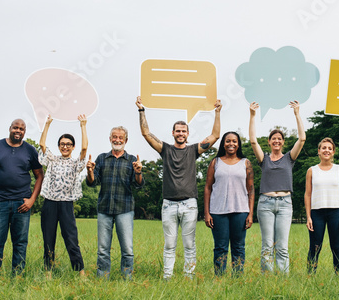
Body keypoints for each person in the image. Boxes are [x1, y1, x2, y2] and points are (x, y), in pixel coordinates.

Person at [136, 96, 222, 280]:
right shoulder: (165, 149)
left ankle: (188, 276)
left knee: (189, 244)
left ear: (188, 134)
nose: (181, 133)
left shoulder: (193, 151)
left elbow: (215, 136)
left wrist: (217, 112)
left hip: (189, 204)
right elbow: (146, 133)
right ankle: (167, 277)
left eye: (184, 131)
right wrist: (142, 110)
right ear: (173, 133)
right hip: (168, 205)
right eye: (178, 131)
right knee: (169, 244)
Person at [0, 119, 44, 275]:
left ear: (24, 131)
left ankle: (18, 276)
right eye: (16, 127)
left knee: (20, 243)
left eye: (22, 129)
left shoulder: (30, 150)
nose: (18, 131)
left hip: (21, 203)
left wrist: (32, 200)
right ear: (10, 128)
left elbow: (40, 175)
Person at [249, 101, 305, 273]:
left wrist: (297, 114)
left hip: (285, 204)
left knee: (282, 245)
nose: (276, 141)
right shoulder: (264, 159)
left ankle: (282, 280)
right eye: (273, 138)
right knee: (267, 245)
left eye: (279, 139)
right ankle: (267, 279)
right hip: (265, 203)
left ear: (283, 142)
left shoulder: (289, 158)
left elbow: (302, 138)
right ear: (269, 142)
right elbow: (252, 141)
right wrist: (252, 116)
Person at [86, 126, 143, 280]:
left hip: (124, 209)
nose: (117, 140)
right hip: (104, 208)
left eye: (120, 137)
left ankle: (127, 279)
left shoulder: (131, 160)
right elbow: (92, 182)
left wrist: (138, 172)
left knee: (127, 249)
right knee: (103, 249)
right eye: (114, 137)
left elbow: (138, 184)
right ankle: (102, 278)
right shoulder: (101, 158)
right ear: (110, 138)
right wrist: (90, 171)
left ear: (126, 140)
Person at [38, 114, 88, 278]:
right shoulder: (52, 159)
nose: (65, 147)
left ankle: (81, 272)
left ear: (72, 147)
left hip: (66, 204)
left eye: (68, 144)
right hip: (50, 203)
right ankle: (48, 272)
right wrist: (47, 124)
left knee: (71, 239)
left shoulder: (76, 163)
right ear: (59, 146)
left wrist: (83, 125)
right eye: (62, 144)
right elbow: (42, 144)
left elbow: (84, 149)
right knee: (48, 239)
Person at [204, 131, 255, 276]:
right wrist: (207, 213)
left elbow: (251, 190)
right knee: (220, 247)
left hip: (240, 210)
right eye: (228, 141)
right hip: (218, 211)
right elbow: (207, 188)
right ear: (223, 144)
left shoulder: (246, 163)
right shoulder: (215, 162)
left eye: (234, 141)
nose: (231, 144)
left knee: (238, 247)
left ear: (238, 144)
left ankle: (237, 277)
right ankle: (219, 276)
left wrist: (250, 214)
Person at [304, 137, 339, 274]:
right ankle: (310, 275)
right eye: (324, 148)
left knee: (336, 246)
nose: (326, 150)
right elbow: (307, 194)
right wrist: (308, 217)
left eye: (329, 148)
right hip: (317, 213)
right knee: (315, 246)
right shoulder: (311, 170)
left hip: (336, 212)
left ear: (333, 152)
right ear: (319, 151)